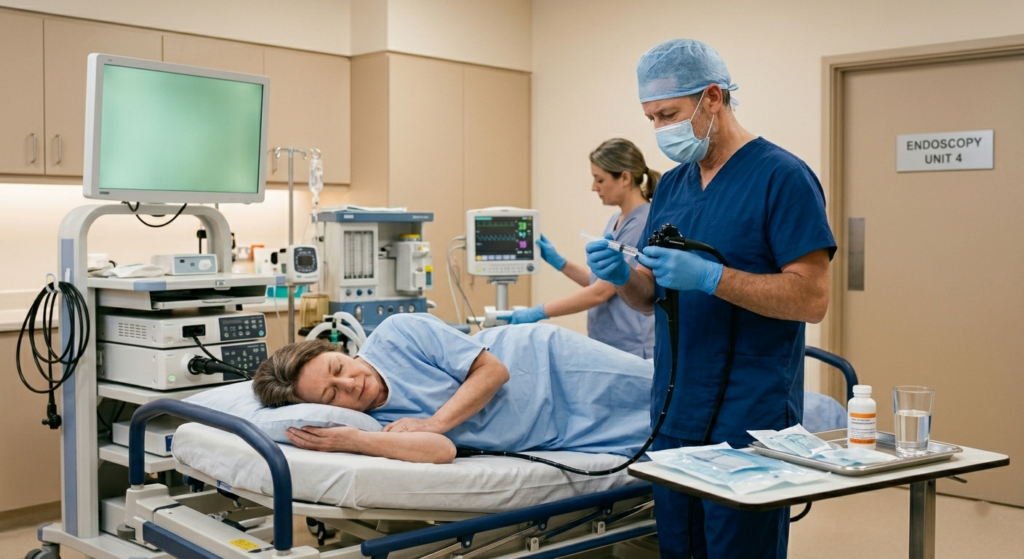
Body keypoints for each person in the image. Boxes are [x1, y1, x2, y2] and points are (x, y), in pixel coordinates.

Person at [585, 39, 836, 559]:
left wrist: (712, 277)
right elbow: (651, 297)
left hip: (750, 411)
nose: (660, 130)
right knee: (678, 547)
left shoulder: (782, 178)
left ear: (714, 98)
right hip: (676, 409)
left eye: (669, 114)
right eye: (651, 118)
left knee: (738, 549)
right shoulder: (673, 186)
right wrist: (624, 277)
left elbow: (812, 299)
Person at [252, 313, 653, 464]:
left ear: (338, 350)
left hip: (552, 365)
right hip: (552, 430)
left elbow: (492, 371)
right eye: (330, 395)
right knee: (660, 439)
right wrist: (355, 440)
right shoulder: (366, 423)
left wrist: (436, 420)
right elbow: (441, 450)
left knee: (668, 393)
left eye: (338, 367)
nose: (350, 383)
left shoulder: (397, 334)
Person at [509, 138, 658, 358]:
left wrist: (539, 311)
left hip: (632, 346)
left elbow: (600, 293)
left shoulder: (641, 222)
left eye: (599, 179)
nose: (593, 187)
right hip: (610, 342)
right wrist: (561, 263)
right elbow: (601, 282)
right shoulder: (618, 219)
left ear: (625, 178)